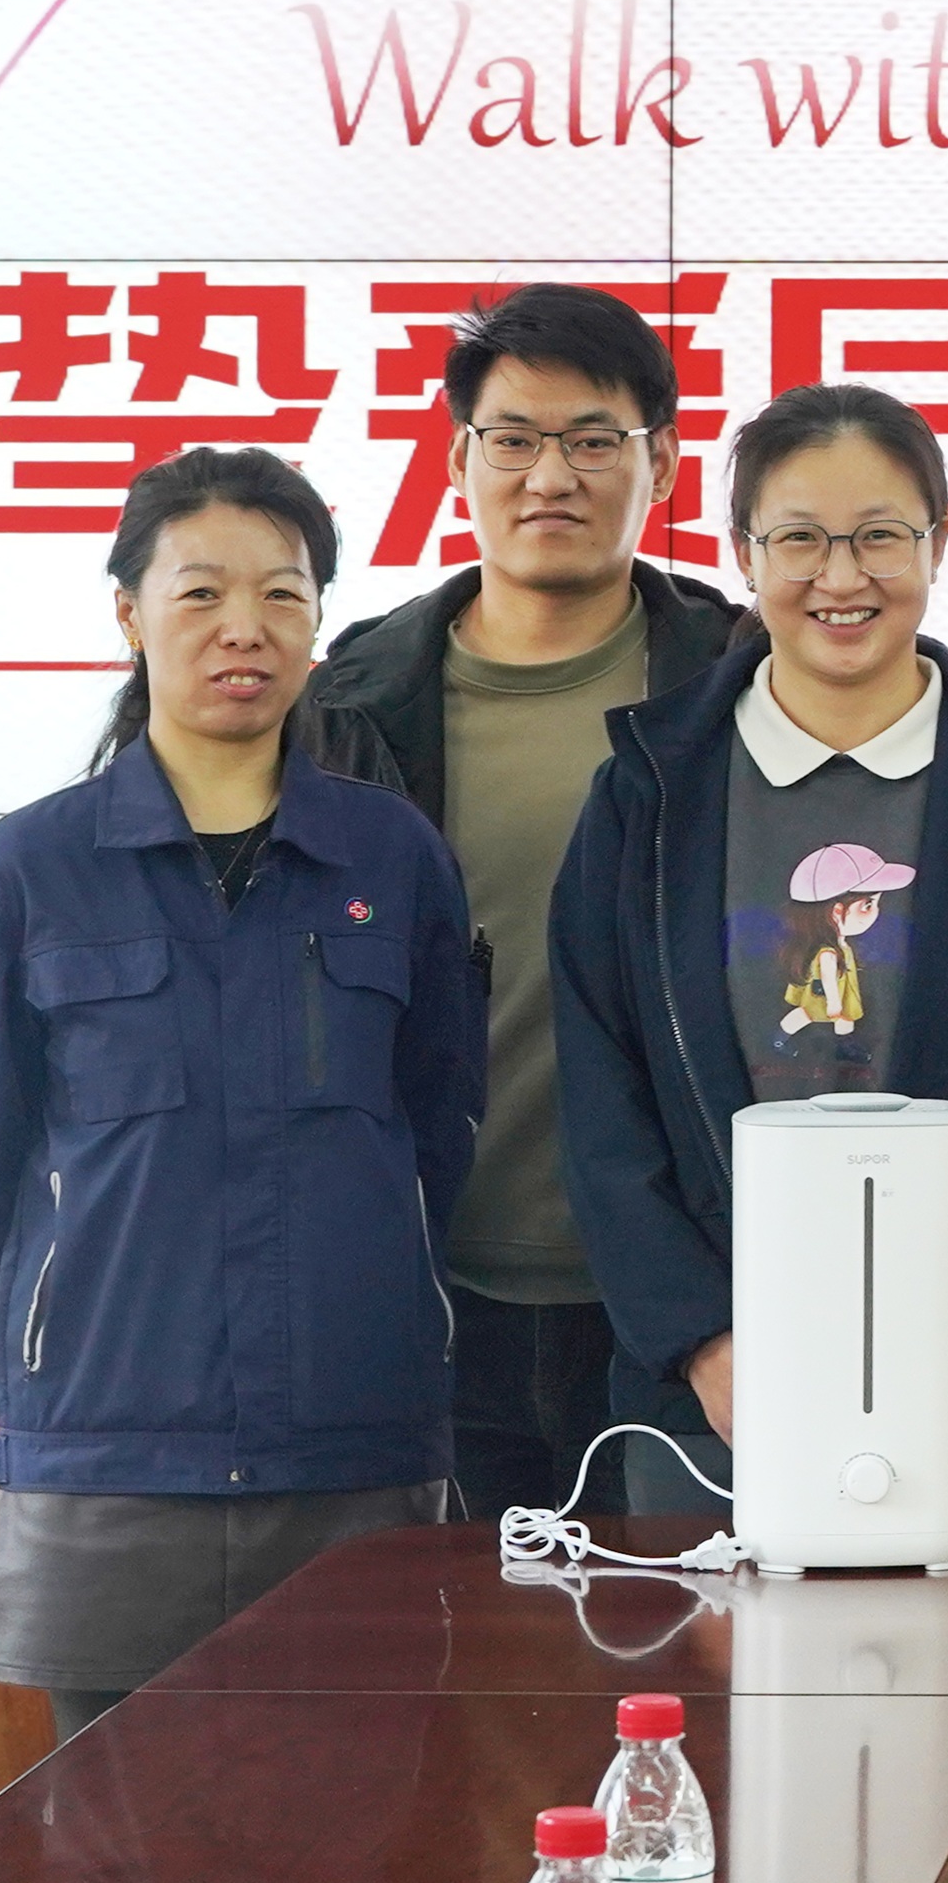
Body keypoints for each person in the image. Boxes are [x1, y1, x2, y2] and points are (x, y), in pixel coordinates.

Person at [0, 447, 482, 1740]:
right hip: (109, 1443)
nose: (245, 627)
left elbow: (440, 1120)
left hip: (352, 1437)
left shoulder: (391, 859)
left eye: (282, 594)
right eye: (202, 592)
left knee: (364, 1828)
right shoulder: (24, 872)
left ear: (318, 624)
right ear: (129, 612)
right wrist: (59, 1310)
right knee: (111, 1840)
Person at [550, 382, 948, 1518]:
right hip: (711, 1400)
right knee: (713, 1644)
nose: (841, 576)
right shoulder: (652, 790)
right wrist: (702, 1339)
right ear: (743, 555)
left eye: (880, 537)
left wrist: (946, 1345)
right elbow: (602, 1087)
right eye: (800, 539)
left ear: (938, 546)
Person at [303, 283, 751, 1523]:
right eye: (513, 439)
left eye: (594, 440)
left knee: (688, 1637)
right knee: (446, 1643)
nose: (550, 476)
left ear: (663, 465)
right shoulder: (347, 706)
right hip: (432, 1291)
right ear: (458, 461)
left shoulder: (741, 686)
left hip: (692, 1306)